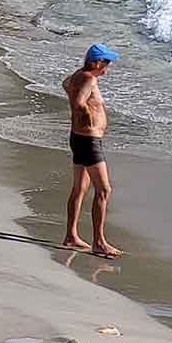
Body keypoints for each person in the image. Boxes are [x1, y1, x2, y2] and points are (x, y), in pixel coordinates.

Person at [61, 44, 121, 257]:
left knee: (79, 189)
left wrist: (80, 114)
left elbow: (65, 84)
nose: (109, 65)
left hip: (78, 138)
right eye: (107, 61)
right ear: (96, 63)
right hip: (89, 141)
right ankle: (99, 242)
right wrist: (86, 114)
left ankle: (71, 235)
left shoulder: (78, 75)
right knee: (104, 190)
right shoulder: (89, 79)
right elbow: (79, 102)